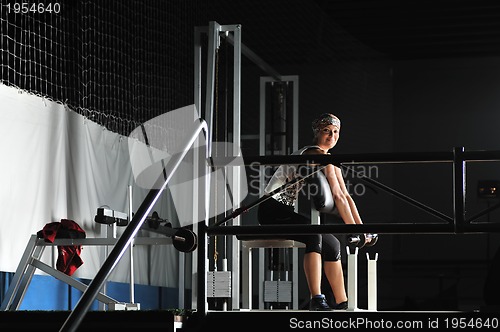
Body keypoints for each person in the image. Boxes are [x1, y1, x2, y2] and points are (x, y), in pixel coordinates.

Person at [257, 113, 366, 311]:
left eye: (335, 132)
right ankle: (317, 298)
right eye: (326, 131)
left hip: (285, 210)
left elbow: (346, 196)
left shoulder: (328, 158)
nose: (332, 136)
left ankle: (342, 303)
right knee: (314, 233)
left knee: (332, 244)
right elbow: (339, 198)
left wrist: (362, 228)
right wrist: (354, 230)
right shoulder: (312, 153)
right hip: (271, 210)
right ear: (316, 133)